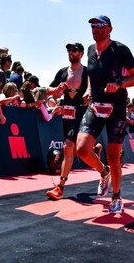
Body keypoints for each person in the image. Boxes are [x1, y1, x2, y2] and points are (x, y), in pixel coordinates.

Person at [76, 15, 134, 214]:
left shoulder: (120, 49)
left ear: (110, 29)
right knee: (81, 149)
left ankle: (116, 195)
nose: (95, 29)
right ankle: (102, 171)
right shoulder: (90, 49)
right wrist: (89, 91)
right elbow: (91, 75)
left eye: (100, 25)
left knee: (114, 155)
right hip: (95, 106)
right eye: (92, 26)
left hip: (116, 107)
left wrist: (120, 84)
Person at [45, 42, 89, 200]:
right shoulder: (62, 72)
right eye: (69, 50)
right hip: (67, 114)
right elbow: (48, 90)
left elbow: (95, 89)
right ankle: (103, 169)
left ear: (81, 53)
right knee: (73, 149)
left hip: (83, 113)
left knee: (69, 146)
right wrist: (56, 91)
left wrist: (89, 94)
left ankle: (60, 187)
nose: (71, 52)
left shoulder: (88, 72)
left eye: (74, 50)